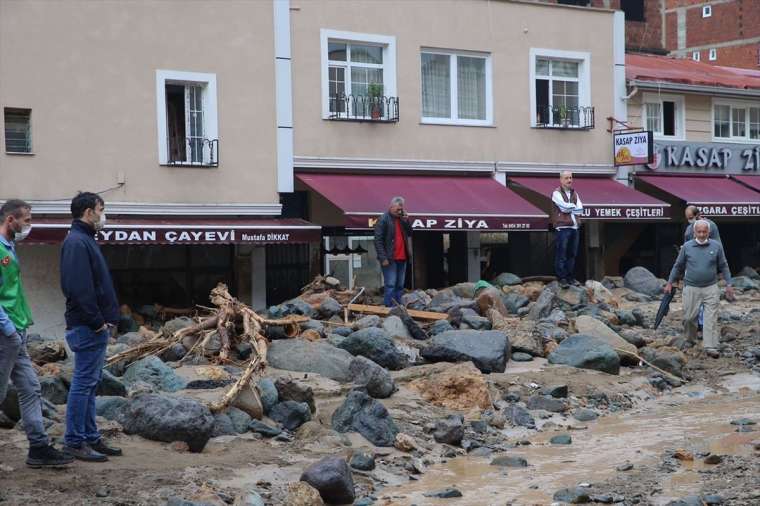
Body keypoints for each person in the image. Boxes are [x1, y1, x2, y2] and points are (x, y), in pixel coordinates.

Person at [0, 199, 74, 468]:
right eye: (27, 220)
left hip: (16, 331)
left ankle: (39, 447)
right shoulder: (0, 249)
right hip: (6, 332)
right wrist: (8, 330)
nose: (29, 225)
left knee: (31, 387)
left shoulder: (10, 247)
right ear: (11, 220)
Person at [60, 192, 122, 461]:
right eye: (101, 208)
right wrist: (98, 322)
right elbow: (78, 288)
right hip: (88, 327)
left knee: (89, 384)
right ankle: (75, 441)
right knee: (83, 384)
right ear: (88, 212)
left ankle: (90, 437)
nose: (103, 213)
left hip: (92, 326)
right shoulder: (77, 242)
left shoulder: (83, 239)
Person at [665, 220, 734, 358]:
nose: (702, 234)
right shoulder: (687, 247)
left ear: (709, 232)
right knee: (689, 318)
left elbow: (724, 265)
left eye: (704, 232)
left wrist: (729, 284)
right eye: (699, 232)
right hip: (691, 287)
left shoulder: (716, 246)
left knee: (710, 318)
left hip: (711, 287)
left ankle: (710, 346)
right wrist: (670, 282)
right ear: (694, 232)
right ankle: (690, 339)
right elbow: (678, 266)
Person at [374, 196, 412, 307]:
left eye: (401, 209)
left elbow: (410, 233)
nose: (399, 211)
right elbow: (378, 240)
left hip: (402, 257)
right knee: (390, 284)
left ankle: (398, 306)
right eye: (397, 209)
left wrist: (406, 221)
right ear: (391, 207)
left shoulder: (402, 220)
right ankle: (389, 307)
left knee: (400, 285)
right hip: (389, 258)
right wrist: (383, 258)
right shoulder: (383, 219)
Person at [550, 171, 584, 287]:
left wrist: (571, 207)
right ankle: (562, 278)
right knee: (561, 254)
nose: (569, 180)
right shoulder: (556, 193)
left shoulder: (575, 193)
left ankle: (570, 277)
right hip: (562, 227)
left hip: (574, 227)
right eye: (566, 178)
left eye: (570, 178)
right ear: (561, 180)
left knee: (572, 254)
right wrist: (572, 207)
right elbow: (564, 208)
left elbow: (580, 209)